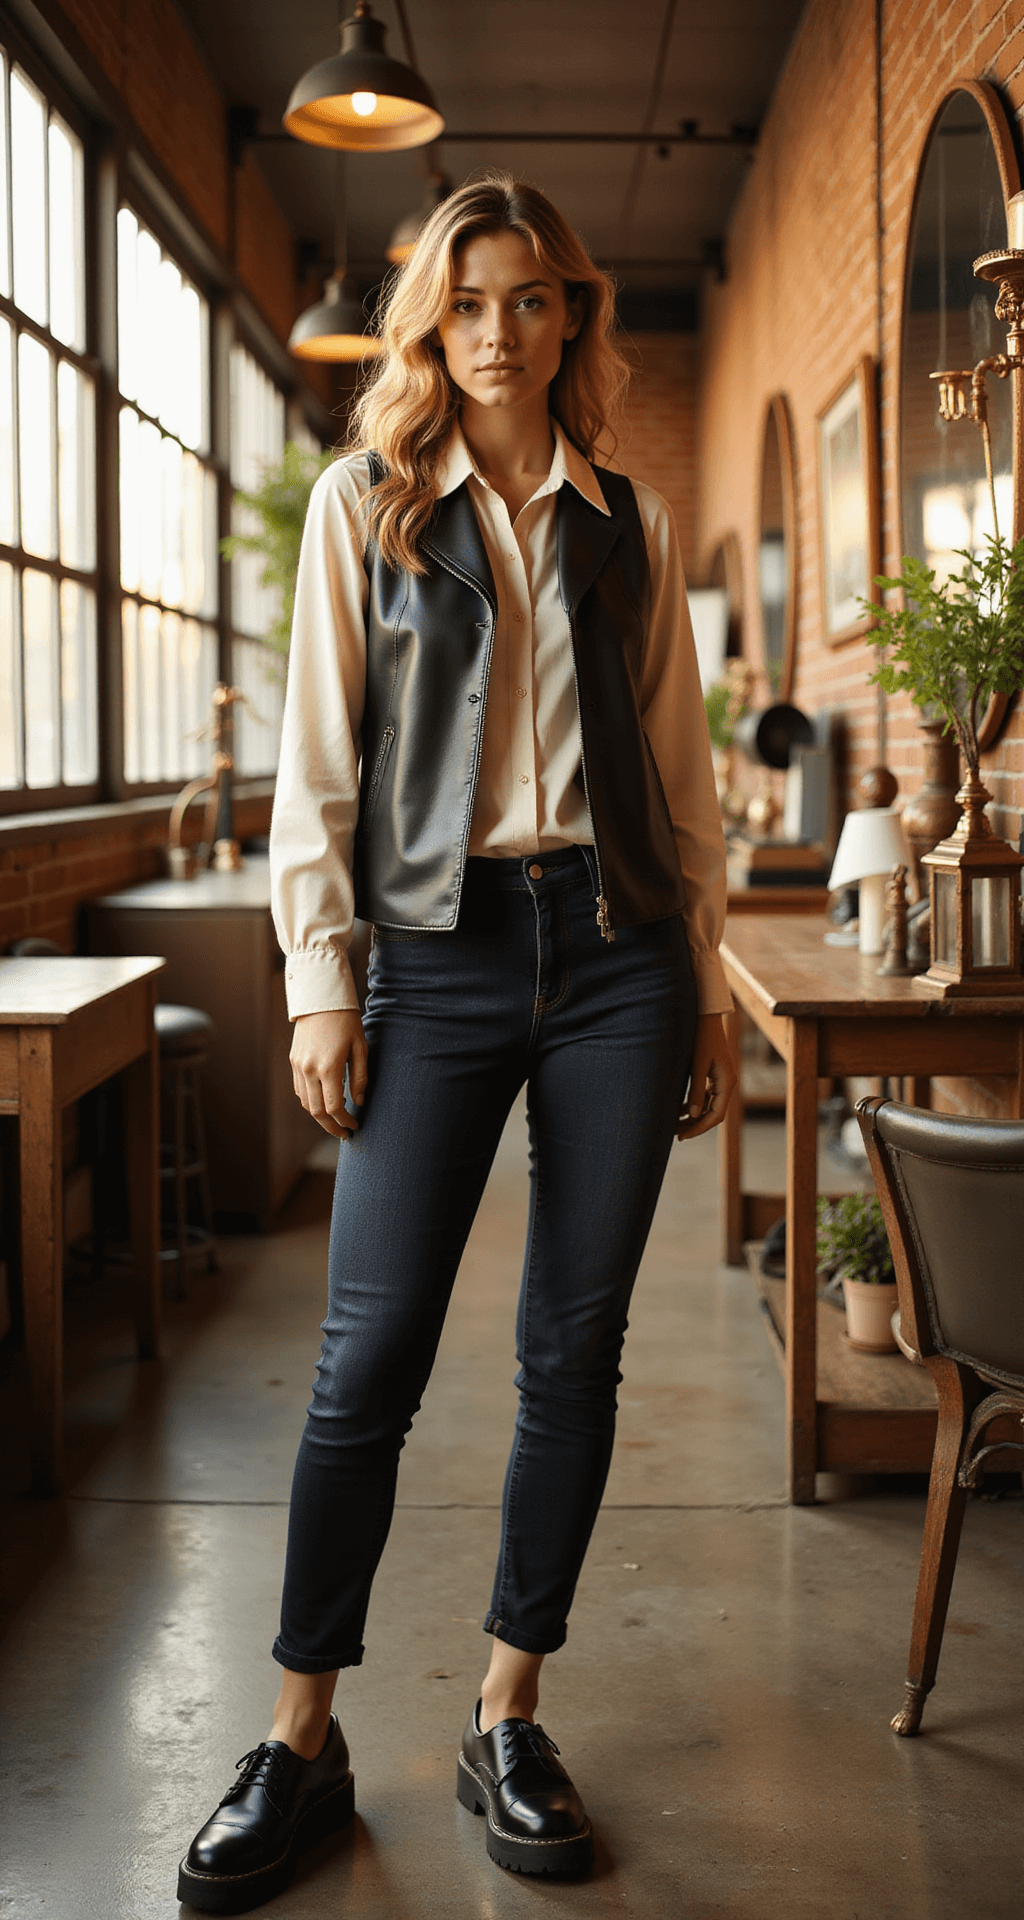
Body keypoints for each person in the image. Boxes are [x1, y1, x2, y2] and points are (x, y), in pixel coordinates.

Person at [177, 175, 736, 1914]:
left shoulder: (628, 522)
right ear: (433, 322)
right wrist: (319, 980)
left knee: (575, 1351)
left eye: (532, 299)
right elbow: (317, 763)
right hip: (433, 956)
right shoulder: (371, 508)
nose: (501, 332)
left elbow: (680, 768)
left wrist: (708, 982)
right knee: (368, 1359)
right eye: (470, 302)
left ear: (572, 317)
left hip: (622, 956)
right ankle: (300, 1738)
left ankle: (509, 1710)